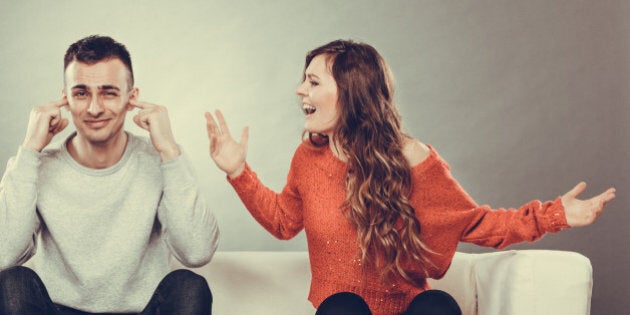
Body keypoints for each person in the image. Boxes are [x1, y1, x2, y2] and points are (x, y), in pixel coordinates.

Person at [205, 39, 616, 315]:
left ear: (349, 91)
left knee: (437, 308)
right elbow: (283, 222)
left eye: (312, 82)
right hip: (341, 311)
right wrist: (239, 172)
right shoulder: (308, 158)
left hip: (409, 309)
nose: (300, 91)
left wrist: (555, 215)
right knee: (342, 305)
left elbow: (477, 223)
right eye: (303, 80)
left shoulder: (412, 158)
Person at [0, 35, 219, 315]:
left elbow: (197, 252)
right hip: (58, 310)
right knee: (11, 283)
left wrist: (169, 150)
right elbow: (4, 254)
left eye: (109, 92)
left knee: (190, 286)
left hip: (141, 311)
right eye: (81, 93)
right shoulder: (34, 166)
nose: (94, 108)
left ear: (132, 98)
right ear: (65, 98)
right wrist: (29, 149)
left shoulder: (162, 160)